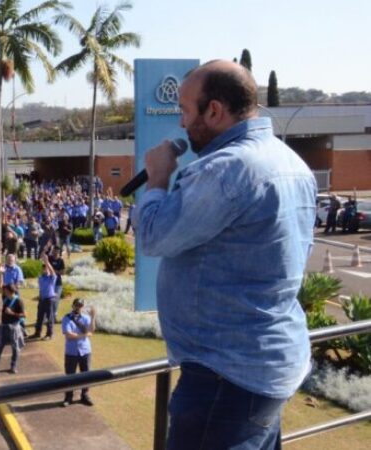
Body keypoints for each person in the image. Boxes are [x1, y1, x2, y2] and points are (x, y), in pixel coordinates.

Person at [133, 60, 316, 450]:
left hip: (225, 378)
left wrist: (158, 179)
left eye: (185, 110)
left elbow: (151, 236)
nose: (181, 124)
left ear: (214, 110)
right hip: (267, 366)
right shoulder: (293, 163)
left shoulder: (226, 169)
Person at [0, 284, 26, 374]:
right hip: (4, 327)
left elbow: (23, 315)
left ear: (9, 291)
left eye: (5, 290)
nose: (3, 292)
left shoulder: (18, 301)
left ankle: (13, 366)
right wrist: (0, 273)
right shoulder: (6, 299)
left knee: (15, 348)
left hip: (14, 327)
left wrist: (12, 313)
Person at [61, 298, 95, 407]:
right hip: (71, 351)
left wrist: (93, 317)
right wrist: (84, 335)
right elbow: (69, 335)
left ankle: (84, 395)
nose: (78, 307)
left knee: (86, 374)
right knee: (70, 376)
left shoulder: (86, 317)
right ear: (73, 305)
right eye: (77, 305)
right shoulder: (67, 319)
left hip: (85, 350)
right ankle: (68, 396)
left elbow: (92, 330)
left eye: (80, 306)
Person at [32, 254, 58, 340]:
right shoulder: (40, 278)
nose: (45, 270)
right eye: (44, 268)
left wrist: (47, 262)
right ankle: (37, 333)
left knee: (49, 318)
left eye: (46, 268)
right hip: (42, 299)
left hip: (50, 299)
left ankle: (49, 334)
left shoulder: (52, 278)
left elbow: (53, 272)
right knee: (39, 317)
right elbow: (41, 289)